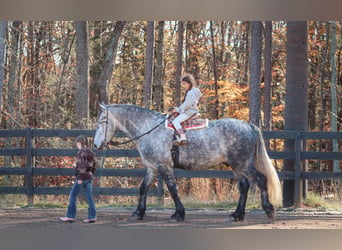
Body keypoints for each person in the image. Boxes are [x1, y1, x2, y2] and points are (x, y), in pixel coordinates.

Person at [60, 135, 97, 223]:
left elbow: (82, 165)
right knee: (89, 197)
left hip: (82, 177)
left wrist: (80, 178)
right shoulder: (90, 152)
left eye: (77, 143)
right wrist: (91, 174)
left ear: (79, 143)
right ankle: (92, 216)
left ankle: (70, 216)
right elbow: (94, 165)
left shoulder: (81, 153)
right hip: (89, 176)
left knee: (73, 195)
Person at [169, 73, 202, 145]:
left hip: (189, 112)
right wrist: (177, 109)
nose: (183, 86)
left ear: (189, 83)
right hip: (190, 110)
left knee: (176, 121)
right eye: (182, 84)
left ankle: (183, 137)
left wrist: (177, 110)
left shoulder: (190, 93)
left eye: (184, 84)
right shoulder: (193, 92)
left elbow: (187, 105)